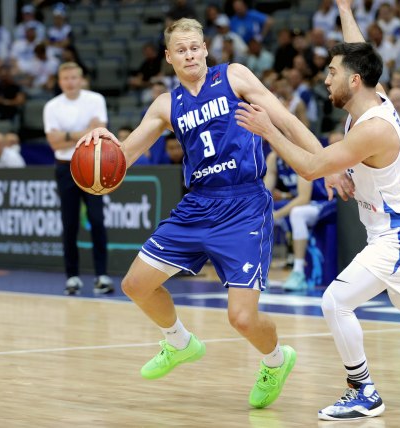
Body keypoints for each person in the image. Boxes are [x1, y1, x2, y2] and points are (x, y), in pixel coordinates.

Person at [234, 0, 400, 420]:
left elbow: (311, 167)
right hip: (397, 225)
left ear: (353, 80)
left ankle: (363, 390)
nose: (325, 79)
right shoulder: (372, 95)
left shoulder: (373, 128)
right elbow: (359, 50)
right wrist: (345, 9)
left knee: (335, 301)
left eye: (331, 73)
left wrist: (268, 129)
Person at [75, 17, 332, 409]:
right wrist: (102, 145)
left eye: (195, 47)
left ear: (206, 49)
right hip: (198, 204)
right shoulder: (167, 104)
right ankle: (179, 342)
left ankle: (275, 361)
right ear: (169, 57)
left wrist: (327, 162)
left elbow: (286, 121)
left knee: (241, 318)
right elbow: (121, 161)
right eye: (181, 50)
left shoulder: (234, 76)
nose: (190, 54)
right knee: (135, 285)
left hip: (244, 204)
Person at [43, 62, 115, 296]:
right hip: (65, 167)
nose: (70, 82)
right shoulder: (52, 106)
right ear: (59, 81)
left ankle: (102, 276)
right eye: (66, 78)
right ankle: (72, 277)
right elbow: (54, 143)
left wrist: (66, 135)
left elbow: (99, 133)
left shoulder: (95, 99)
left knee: (97, 219)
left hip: (91, 165)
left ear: (82, 79)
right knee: (69, 223)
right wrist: (85, 132)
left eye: (74, 77)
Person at [263, 148, 336, 291]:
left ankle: (298, 272)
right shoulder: (274, 158)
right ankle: (261, 272)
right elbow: (264, 193)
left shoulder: (298, 154)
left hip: (326, 200)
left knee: (297, 213)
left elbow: (303, 198)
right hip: (305, 203)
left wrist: (277, 215)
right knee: (261, 215)